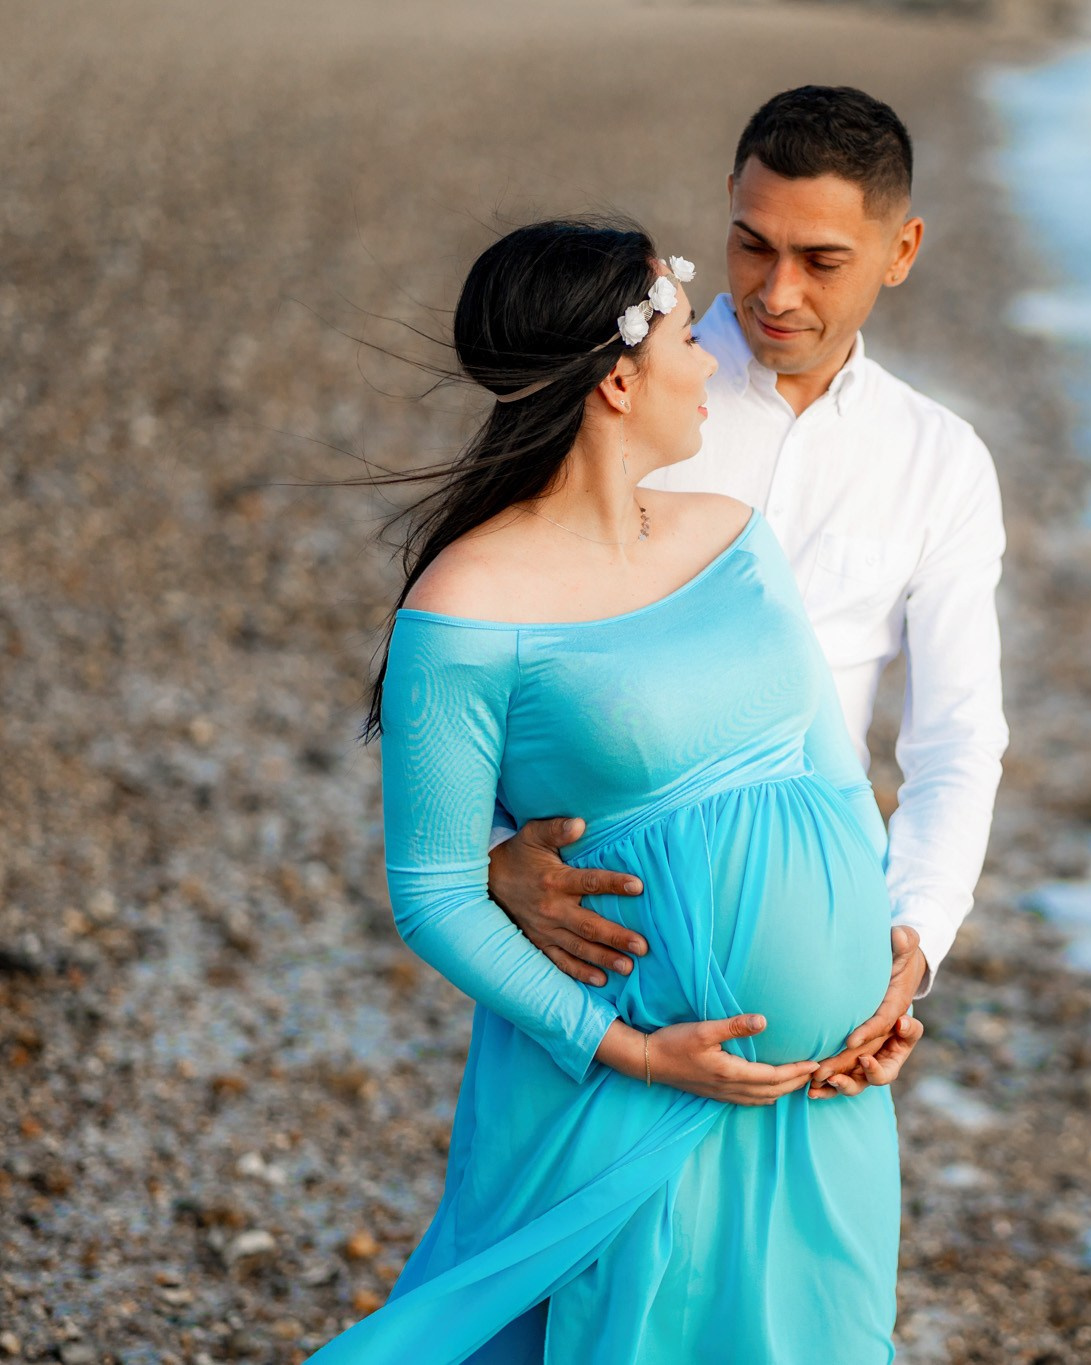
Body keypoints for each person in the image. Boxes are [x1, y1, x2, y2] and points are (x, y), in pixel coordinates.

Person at [313, 220, 913, 1362]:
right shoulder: (466, 606)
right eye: (688, 338)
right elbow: (433, 893)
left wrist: (878, 975)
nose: (711, 365)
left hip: (822, 1095)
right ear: (619, 382)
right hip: (630, 1084)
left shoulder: (735, 535)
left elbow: (831, 770)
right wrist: (633, 1051)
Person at [486, 85, 1008, 1099]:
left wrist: (914, 940)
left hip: (819, 967)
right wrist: (493, 857)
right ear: (728, 200)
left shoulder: (938, 461)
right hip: (601, 946)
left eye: (821, 261)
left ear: (900, 251)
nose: (776, 291)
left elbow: (956, 737)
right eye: (751, 243)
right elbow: (472, 649)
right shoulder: (621, 393)